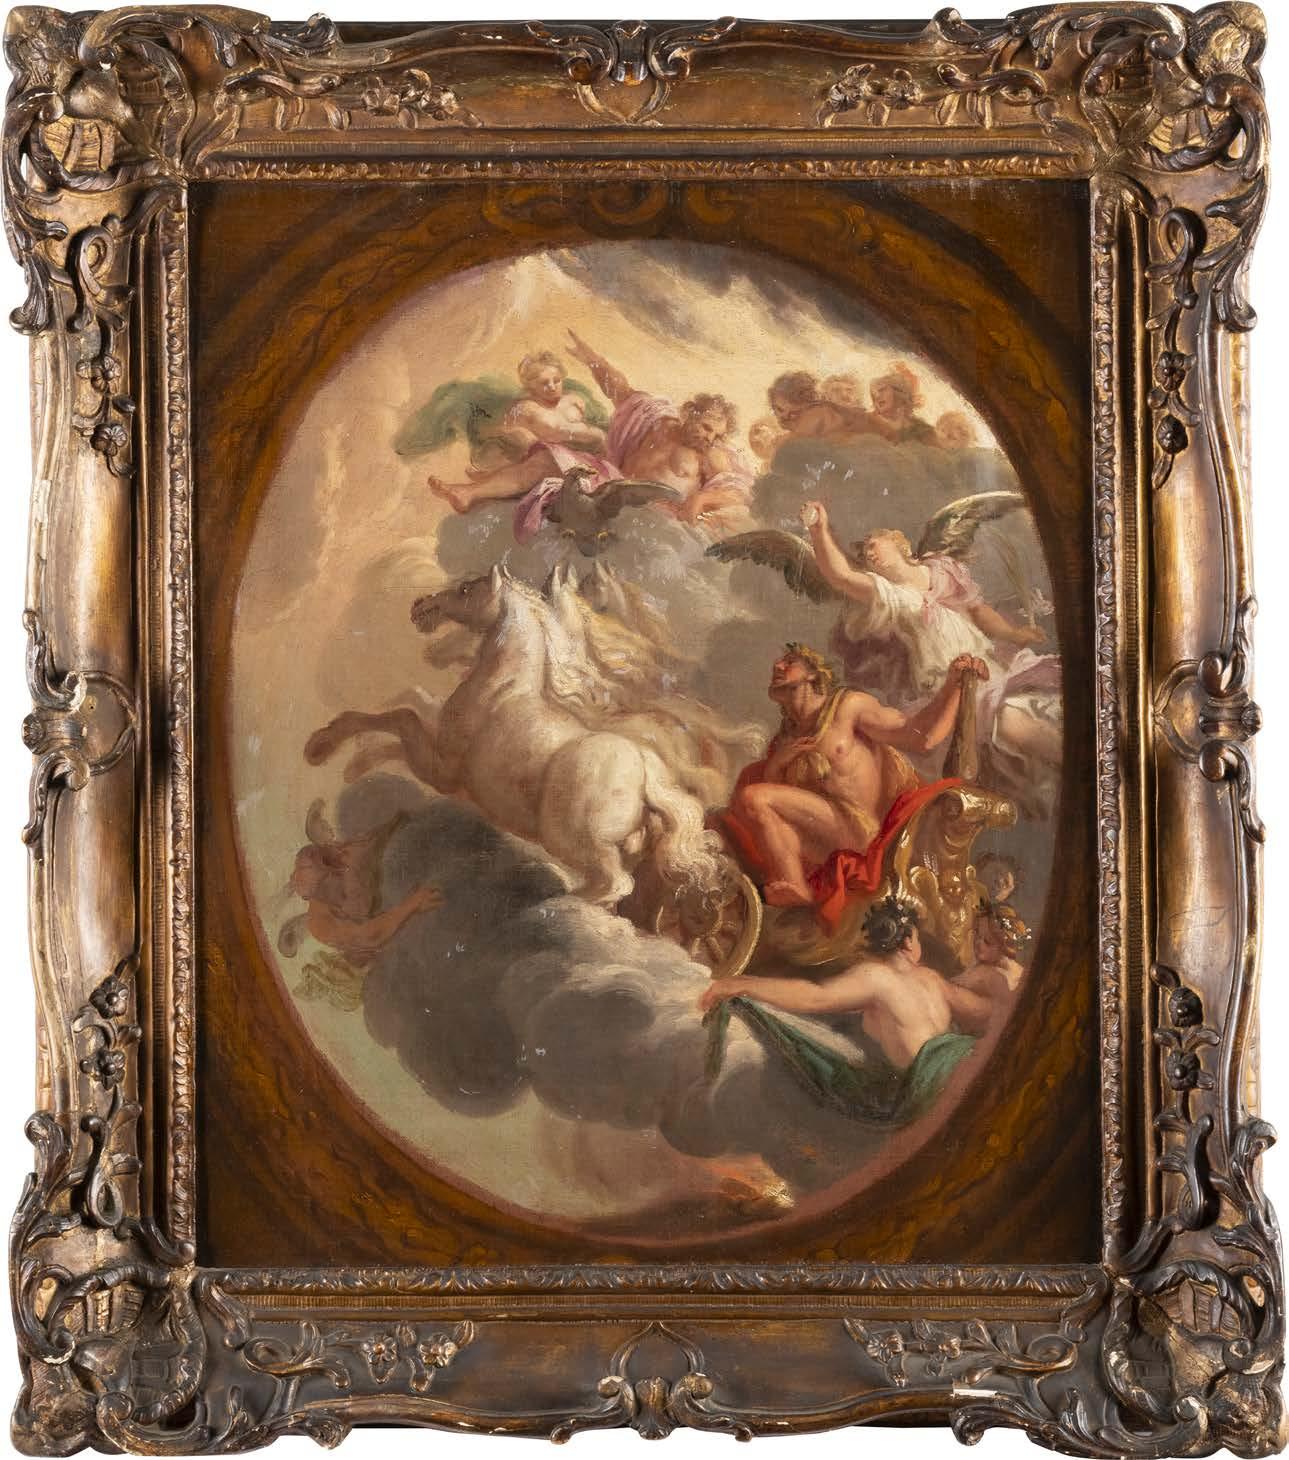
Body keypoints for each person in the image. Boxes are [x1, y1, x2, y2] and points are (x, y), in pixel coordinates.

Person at [802, 499, 1062, 817]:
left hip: (991, 669)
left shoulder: (941, 571)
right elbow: (840, 575)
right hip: (948, 687)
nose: (869, 554)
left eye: (873, 544)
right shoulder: (890, 595)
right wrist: (819, 530)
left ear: (899, 543)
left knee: (1042, 714)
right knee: (1008, 723)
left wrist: (1015, 634)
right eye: (865, 552)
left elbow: (978, 611)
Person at [717, 643, 986, 911]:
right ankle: (794, 886)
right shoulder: (785, 738)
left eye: (789, 661)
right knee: (753, 803)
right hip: (819, 842)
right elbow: (774, 811)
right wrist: (779, 761)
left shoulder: (847, 707)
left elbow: (921, 737)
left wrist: (954, 687)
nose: (778, 665)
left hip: (860, 832)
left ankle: (795, 886)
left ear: (813, 674)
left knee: (754, 797)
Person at [699, 897, 989, 1124]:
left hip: (933, 1081)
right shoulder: (932, 979)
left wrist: (744, 984)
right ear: (907, 941)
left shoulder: (876, 977)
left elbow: (814, 997)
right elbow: (982, 1012)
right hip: (961, 1059)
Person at [561, 328, 753, 529]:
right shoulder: (657, 420)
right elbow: (621, 391)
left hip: (655, 518)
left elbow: (739, 492)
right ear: (690, 413)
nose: (710, 437)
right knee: (556, 462)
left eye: (716, 435)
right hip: (611, 489)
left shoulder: (710, 455)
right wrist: (593, 359)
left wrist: (702, 499)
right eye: (706, 427)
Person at [427, 351, 614, 514]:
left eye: (556, 380)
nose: (552, 386)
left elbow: (578, 434)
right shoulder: (525, 408)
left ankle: (470, 491)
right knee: (533, 451)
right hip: (549, 459)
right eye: (544, 383)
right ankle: (478, 487)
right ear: (531, 387)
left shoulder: (574, 401)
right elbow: (506, 438)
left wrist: (592, 436)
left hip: (585, 466)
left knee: (544, 459)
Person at [955, 900, 1030, 1003]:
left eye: (988, 940)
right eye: (977, 935)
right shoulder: (976, 970)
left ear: (1003, 943)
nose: (978, 943)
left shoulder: (1018, 976)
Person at [869, 361, 936, 444]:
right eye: (873, 394)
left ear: (899, 392)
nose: (877, 396)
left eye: (882, 390)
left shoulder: (923, 430)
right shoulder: (867, 425)